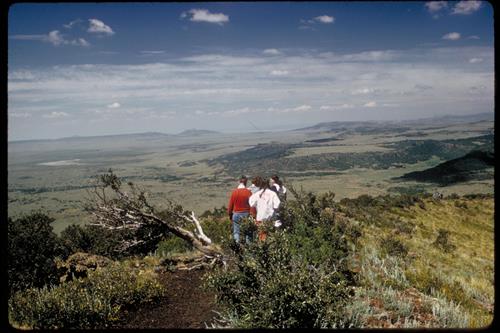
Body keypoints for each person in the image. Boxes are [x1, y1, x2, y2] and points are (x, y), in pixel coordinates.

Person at [249, 177, 280, 241]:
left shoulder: (257, 194)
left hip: (260, 219)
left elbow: (251, 203)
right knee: (271, 237)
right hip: (270, 219)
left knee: (262, 238)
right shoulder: (273, 194)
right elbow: (277, 205)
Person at [227, 175, 252, 243]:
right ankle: (249, 249)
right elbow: (251, 205)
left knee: (236, 232)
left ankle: (237, 248)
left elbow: (230, 205)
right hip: (246, 214)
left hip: (236, 214)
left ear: (239, 182)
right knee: (248, 232)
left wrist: (230, 214)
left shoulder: (234, 192)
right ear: (246, 182)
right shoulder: (248, 192)